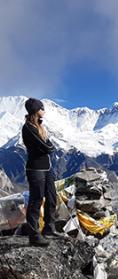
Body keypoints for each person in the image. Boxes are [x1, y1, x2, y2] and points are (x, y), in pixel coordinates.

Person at [22, 98, 60, 246]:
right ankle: (34, 235)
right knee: (36, 200)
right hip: (35, 169)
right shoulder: (29, 128)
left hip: (47, 168)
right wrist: (49, 146)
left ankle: (49, 228)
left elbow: (48, 146)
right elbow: (48, 147)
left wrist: (48, 146)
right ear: (36, 110)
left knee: (51, 197)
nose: (44, 110)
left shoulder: (39, 126)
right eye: (42, 108)